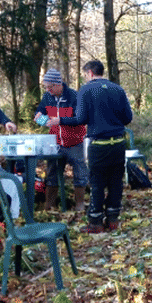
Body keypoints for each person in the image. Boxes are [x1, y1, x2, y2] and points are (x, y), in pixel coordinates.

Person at [47, 60, 132, 234]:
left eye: (85, 75)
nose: (85, 78)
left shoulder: (85, 90)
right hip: (118, 143)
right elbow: (128, 118)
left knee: (97, 182)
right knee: (116, 181)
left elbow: (80, 119)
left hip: (98, 144)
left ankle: (95, 223)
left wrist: (61, 120)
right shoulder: (118, 89)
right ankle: (113, 220)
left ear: (90, 73)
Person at [34, 68, 89, 212]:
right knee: (52, 172)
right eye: (46, 87)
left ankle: (80, 205)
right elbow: (41, 109)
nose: (48, 90)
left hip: (74, 142)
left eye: (50, 87)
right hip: (55, 142)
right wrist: (38, 114)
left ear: (58, 84)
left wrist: (61, 120)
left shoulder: (74, 97)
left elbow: (80, 119)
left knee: (80, 171)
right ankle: (49, 206)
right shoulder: (47, 97)